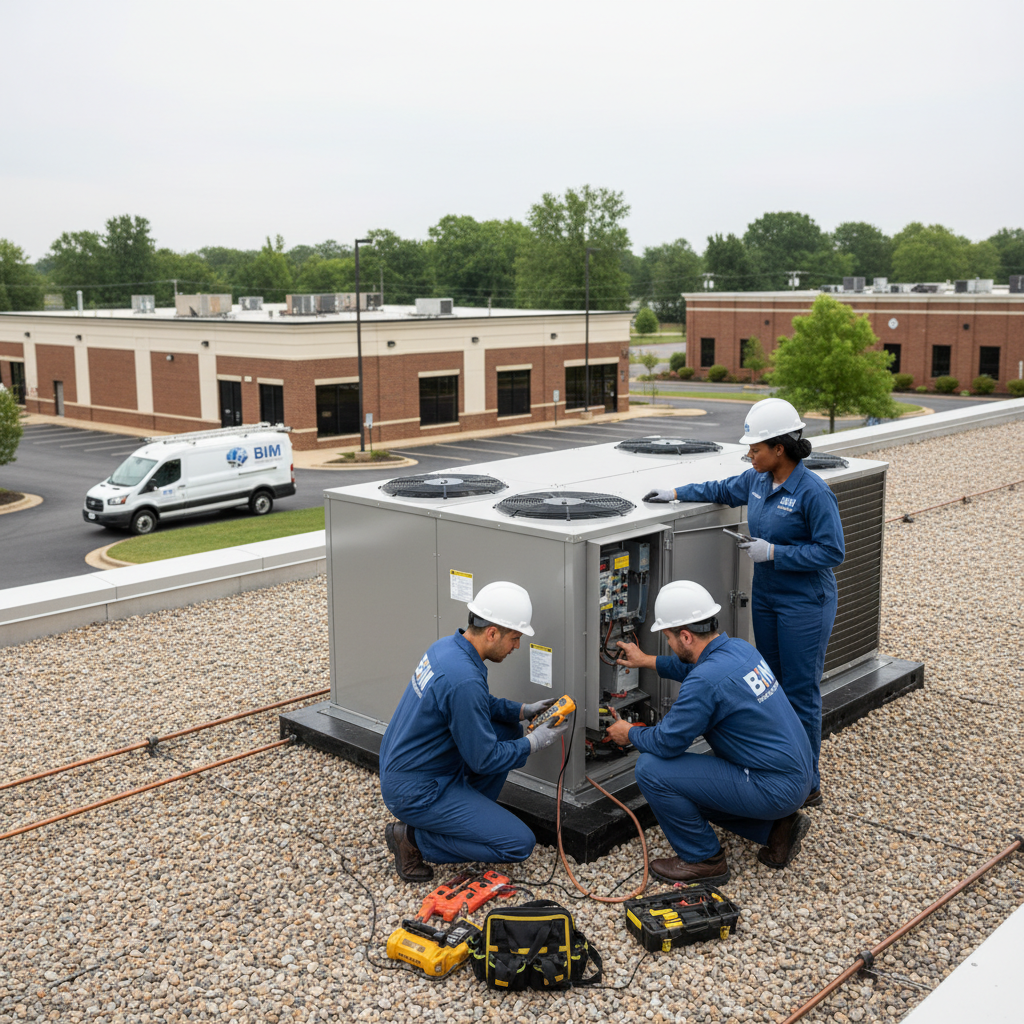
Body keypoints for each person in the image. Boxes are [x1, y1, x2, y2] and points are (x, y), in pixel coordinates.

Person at [641, 398, 844, 807]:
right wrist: (675, 493)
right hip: (767, 596)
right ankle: (780, 764)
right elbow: (720, 489)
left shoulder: (813, 492)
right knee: (773, 685)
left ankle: (808, 782)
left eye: (755, 448)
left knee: (800, 692)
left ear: (779, 448)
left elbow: (832, 551)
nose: (749, 455)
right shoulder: (757, 480)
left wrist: (775, 553)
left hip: (805, 603)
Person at [609, 581, 814, 883]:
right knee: (693, 783)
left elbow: (667, 743)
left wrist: (629, 733)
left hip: (773, 787)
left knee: (652, 770)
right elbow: (696, 669)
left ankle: (704, 858)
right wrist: (646, 661)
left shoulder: (705, 682)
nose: (669, 644)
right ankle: (776, 829)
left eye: (668, 638)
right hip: (796, 777)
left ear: (686, 636)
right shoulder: (739, 649)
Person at [379, 581, 572, 882]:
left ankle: (464, 817)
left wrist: (523, 710)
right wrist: (534, 742)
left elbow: (477, 703)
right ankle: (412, 839)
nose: (517, 646)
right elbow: (484, 758)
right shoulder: (464, 679)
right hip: (417, 790)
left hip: (410, 767)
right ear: (492, 633)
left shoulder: (447, 648)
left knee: (507, 729)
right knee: (519, 843)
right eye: (515, 638)